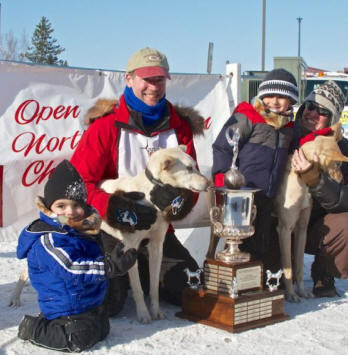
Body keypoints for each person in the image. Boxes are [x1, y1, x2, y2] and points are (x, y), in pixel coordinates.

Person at [70, 47, 204, 313]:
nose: (153, 87)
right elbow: (76, 185)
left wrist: (179, 202)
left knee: (191, 289)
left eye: (159, 80)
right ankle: (123, 275)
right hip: (115, 230)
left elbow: (191, 178)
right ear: (129, 79)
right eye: (146, 79)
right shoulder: (105, 128)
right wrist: (113, 207)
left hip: (157, 230)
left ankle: (145, 272)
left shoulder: (180, 128)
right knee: (108, 302)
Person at [16, 160, 137, 352]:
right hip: (64, 306)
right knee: (78, 339)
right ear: (49, 207)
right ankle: (34, 328)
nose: (70, 212)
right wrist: (108, 267)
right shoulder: (49, 238)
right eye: (61, 206)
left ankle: (83, 321)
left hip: (86, 302)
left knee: (102, 328)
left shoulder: (85, 230)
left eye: (76, 205)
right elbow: (70, 268)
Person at [212, 68, 299, 272]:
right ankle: (233, 281)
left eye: (281, 97)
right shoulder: (248, 117)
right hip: (242, 196)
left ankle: (254, 283)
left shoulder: (288, 128)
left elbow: (298, 148)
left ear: (291, 101)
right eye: (269, 95)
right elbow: (222, 146)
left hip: (267, 196)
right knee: (239, 242)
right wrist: (223, 184)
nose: (274, 101)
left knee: (261, 241)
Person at [291, 80, 348, 297]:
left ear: (332, 118)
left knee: (347, 225)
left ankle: (324, 274)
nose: (312, 113)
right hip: (281, 224)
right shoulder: (285, 135)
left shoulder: (342, 148)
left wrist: (316, 180)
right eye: (310, 106)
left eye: (322, 111)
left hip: (315, 225)